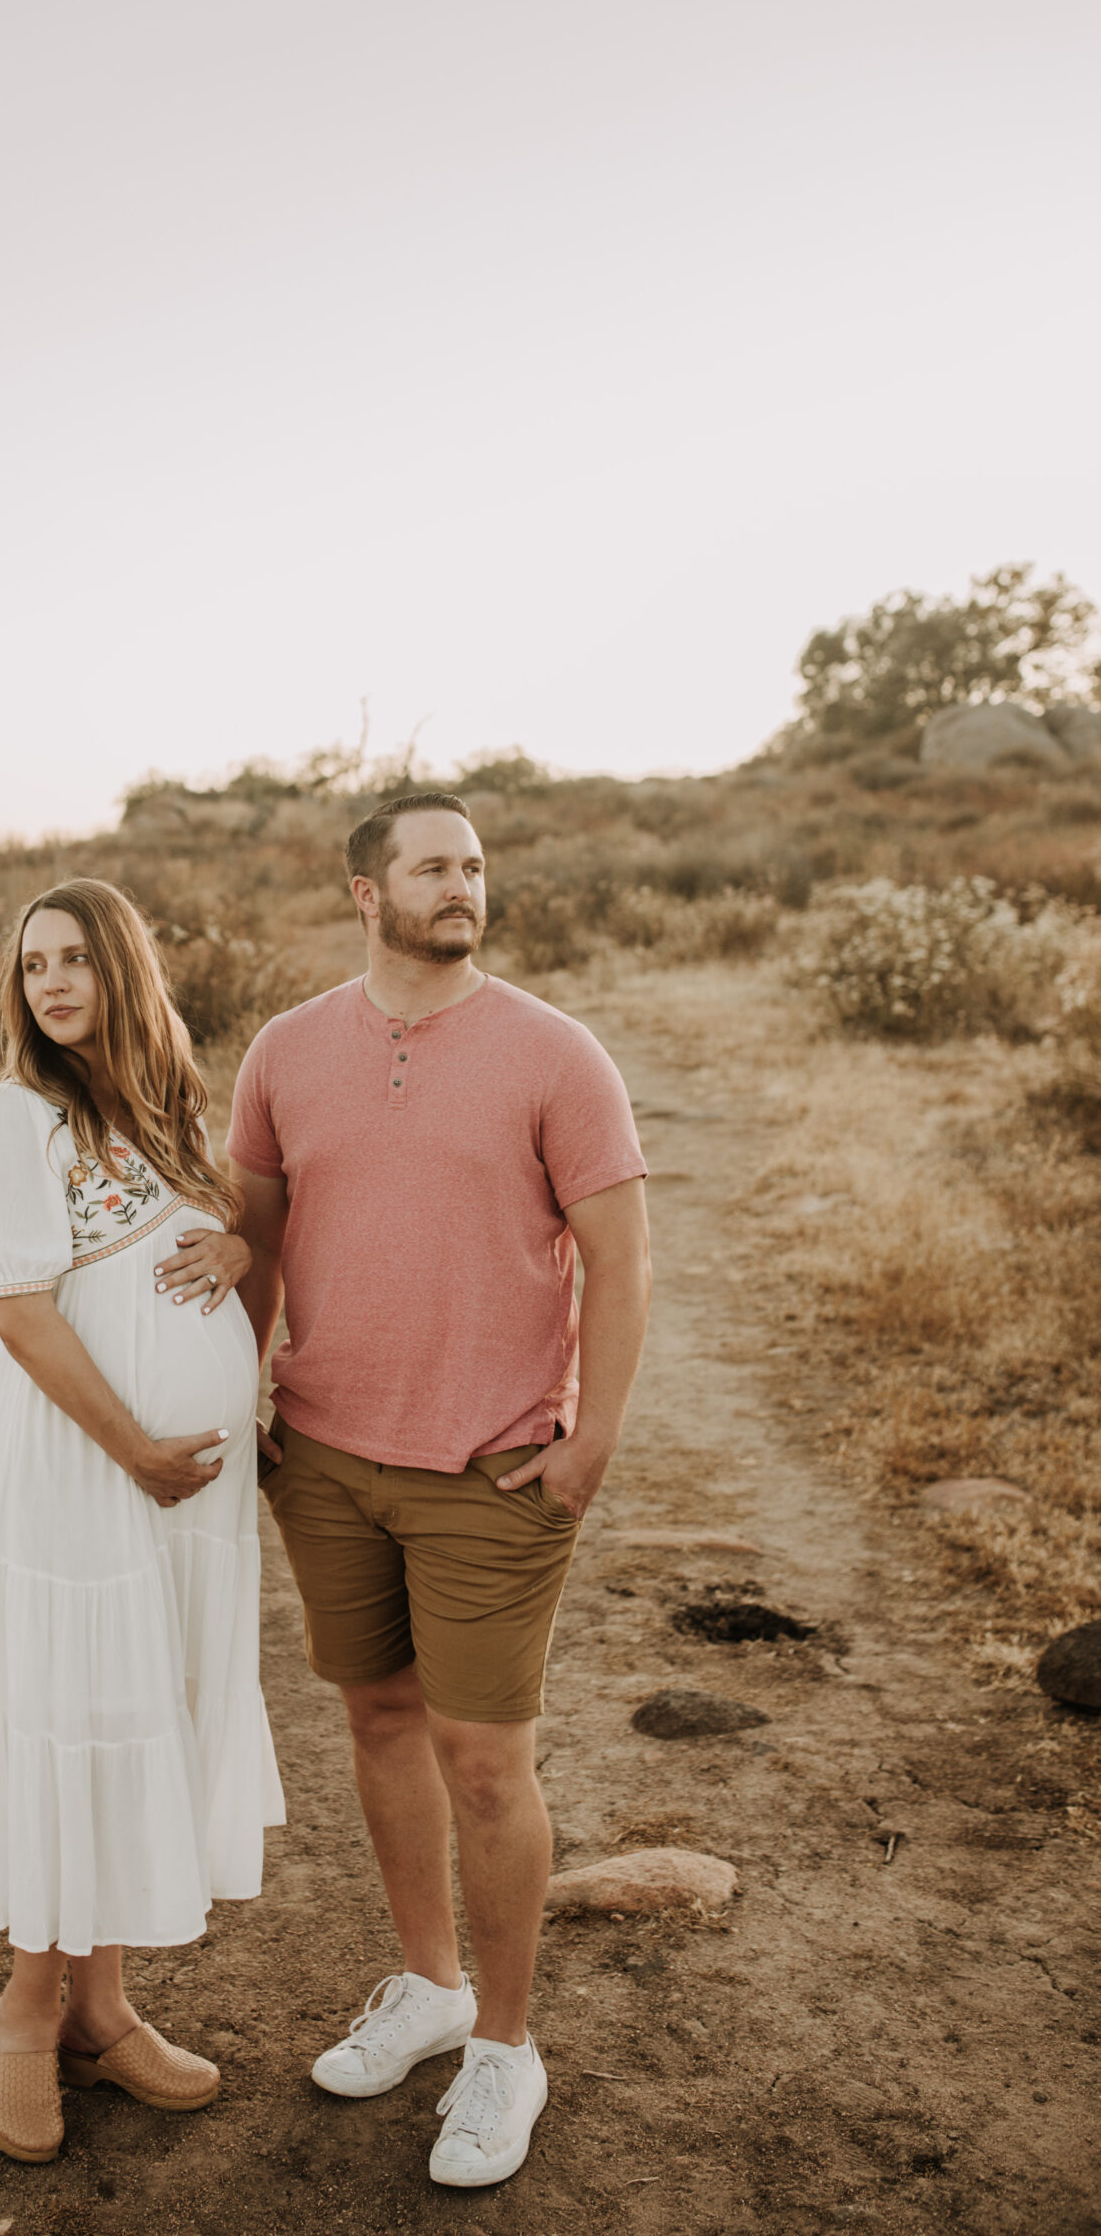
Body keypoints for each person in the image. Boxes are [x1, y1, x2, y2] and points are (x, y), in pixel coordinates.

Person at [229, 791, 651, 2192]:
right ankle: (431, 1986)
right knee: (381, 1718)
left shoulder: (554, 1052)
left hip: (491, 1465)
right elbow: (260, 1241)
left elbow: (621, 1258)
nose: (462, 885)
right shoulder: (287, 1051)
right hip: (329, 1455)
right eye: (431, 867)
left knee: (485, 1759)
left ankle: (507, 2051)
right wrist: (243, 1390)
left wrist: (590, 1443)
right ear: (367, 894)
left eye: (473, 865)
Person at [0, 878, 284, 2166]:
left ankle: (104, 2006)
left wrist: (240, 1259)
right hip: (82, 1467)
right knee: (75, 1706)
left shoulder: (162, 1105)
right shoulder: (13, 1116)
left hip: (183, 1496)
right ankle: (27, 2015)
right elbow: (21, 1310)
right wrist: (135, 1445)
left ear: (124, 969)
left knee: (150, 1703)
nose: (53, 984)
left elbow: (216, 1233)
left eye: (78, 958)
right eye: (34, 966)